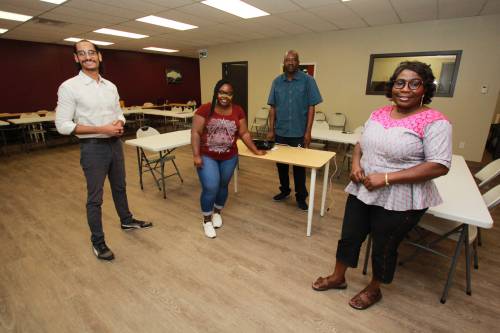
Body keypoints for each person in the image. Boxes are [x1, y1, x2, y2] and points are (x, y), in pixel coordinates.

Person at [312, 61, 452, 310]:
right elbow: (360, 144)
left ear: (425, 88)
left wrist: (386, 179)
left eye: (414, 83)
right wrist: (356, 165)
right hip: (363, 189)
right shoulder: (378, 113)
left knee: (383, 246)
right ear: (392, 86)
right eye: (400, 82)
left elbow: (439, 165)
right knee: (349, 237)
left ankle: (374, 288)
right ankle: (338, 277)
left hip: (401, 198)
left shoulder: (435, 121)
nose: (405, 89)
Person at [55, 40, 152, 261]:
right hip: (92, 148)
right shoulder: (69, 87)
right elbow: (63, 125)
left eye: (91, 52)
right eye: (82, 53)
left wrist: (119, 123)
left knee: (120, 187)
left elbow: (119, 112)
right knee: (95, 198)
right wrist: (102, 129)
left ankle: (126, 220)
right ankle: (98, 242)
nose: (87, 57)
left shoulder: (110, 86)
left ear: (100, 56)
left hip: (114, 145)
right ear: (76, 58)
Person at [191, 79, 265, 238]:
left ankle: (217, 212)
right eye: (222, 92)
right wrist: (196, 155)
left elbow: (244, 133)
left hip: (229, 156)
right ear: (216, 93)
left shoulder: (238, 110)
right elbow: (195, 132)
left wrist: (255, 150)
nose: (225, 96)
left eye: (229, 93)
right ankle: (206, 220)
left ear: (232, 96)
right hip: (207, 155)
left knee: (223, 185)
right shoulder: (205, 109)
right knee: (211, 186)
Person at [266, 50, 322, 211]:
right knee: (281, 165)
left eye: (293, 60)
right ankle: (284, 191)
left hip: (299, 132)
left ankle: (300, 196)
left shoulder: (308, 81)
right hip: (280, 132)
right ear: (284, 62)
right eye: (287, 60)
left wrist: (308, 132)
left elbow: (312, 107)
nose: (290, 62)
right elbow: (272, 107)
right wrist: (271, 130)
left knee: (299, 167)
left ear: (298, 62)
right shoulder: (276, 82)